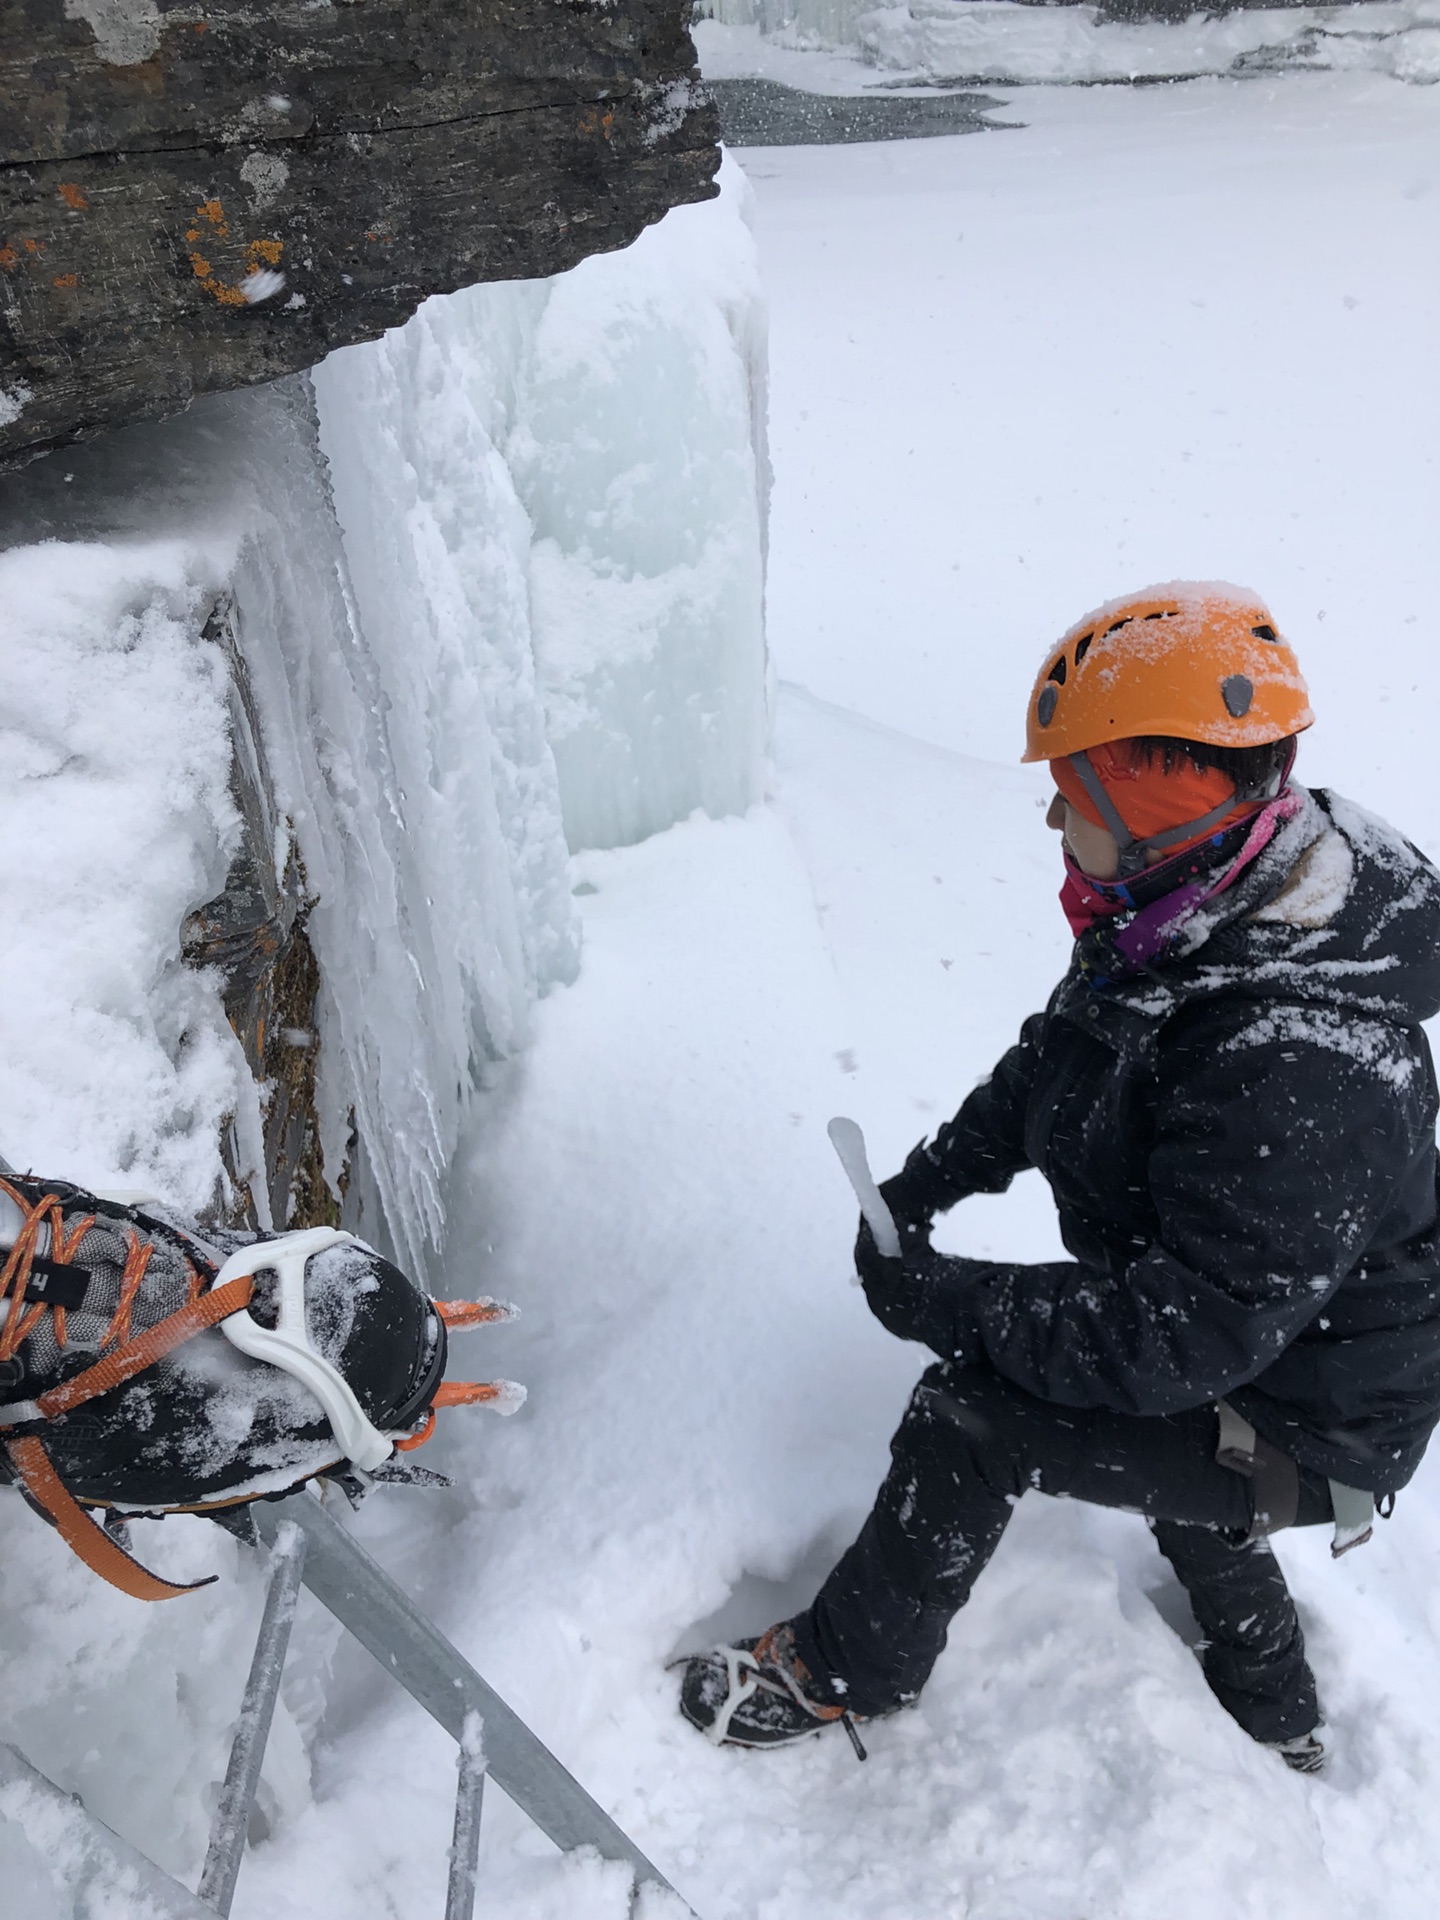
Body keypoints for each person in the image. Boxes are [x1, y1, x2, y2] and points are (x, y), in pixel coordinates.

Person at [677, 582, 1440, 1773]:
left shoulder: (1301, 1062)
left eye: (1074, 802)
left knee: (975, 1418)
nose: (1054, 828)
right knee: (1170, 1432)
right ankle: (1278, 1707)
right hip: (1251, 1346)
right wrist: (933, 1183)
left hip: (1313, 1419)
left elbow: (1179, 1343)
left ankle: (844, 1672)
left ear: (1162, 812)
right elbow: (1064, 1059)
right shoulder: (1199, 911)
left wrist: (944, 1303)